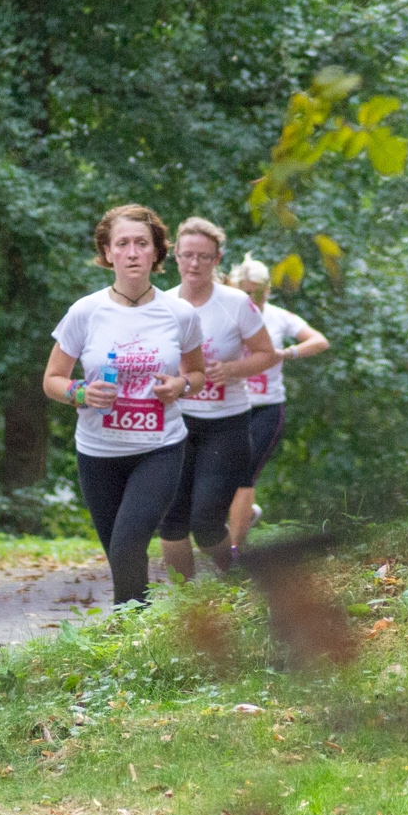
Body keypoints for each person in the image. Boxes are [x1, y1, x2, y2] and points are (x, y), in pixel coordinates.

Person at [43, 205, 207, 606]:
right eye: (123, 244)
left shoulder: (179, 313)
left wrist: (180, 385)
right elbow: (52, 380)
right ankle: (138, 632)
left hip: (160, 448)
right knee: (119, 554)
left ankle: (127, 634)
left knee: (127, 546)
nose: (133, 252)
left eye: (142, 244)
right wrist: (82, 393)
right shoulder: (86, 311)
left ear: (156, 253)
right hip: (98, 453)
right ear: (107, 252)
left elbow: (198, 373)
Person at [161, 219, 278, 579]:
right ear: (174, 256)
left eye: (203, 256)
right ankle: (185, 605)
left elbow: (266, 354)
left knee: (206, 521)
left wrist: (230, 370)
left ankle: (235, 580)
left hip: (225, 424)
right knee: (171, 520)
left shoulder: (236, 303)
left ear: (217, 259)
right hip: (175, 423)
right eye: (187, 255)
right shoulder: (161, 304)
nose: (194, 264)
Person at [225, 254, 330, 552]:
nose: (250, 298)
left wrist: (287, 353)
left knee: (245, 471)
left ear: (268, 290)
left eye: (256, 291)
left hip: (266, 407)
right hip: (229, 407)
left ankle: (234, 550)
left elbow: (319, 341)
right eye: (243, 291)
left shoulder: (279, 317)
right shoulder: (226, 314)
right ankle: (246, 514)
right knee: (221, 473)